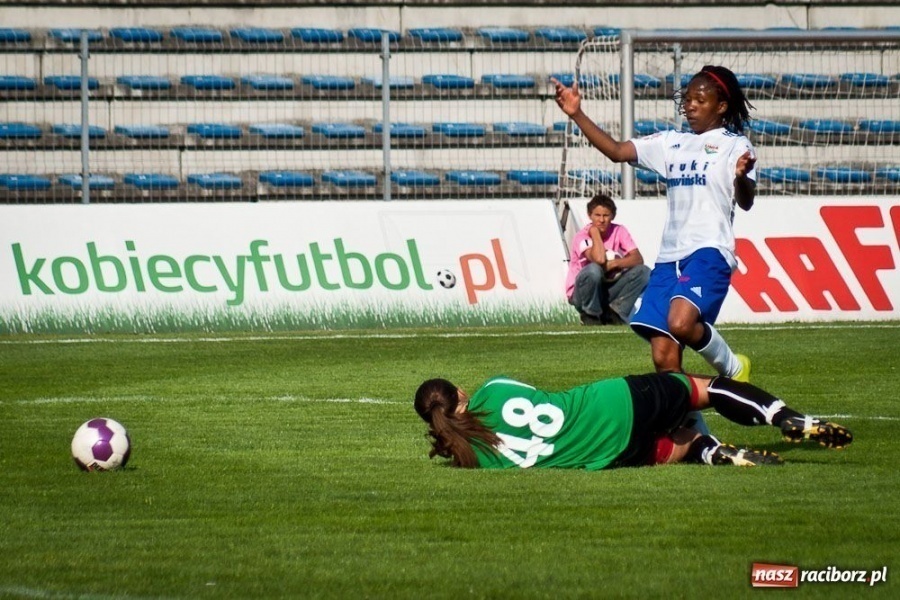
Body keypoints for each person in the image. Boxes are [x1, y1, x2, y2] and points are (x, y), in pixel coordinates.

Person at [552, 65, 756, 387]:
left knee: (681, 323)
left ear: (721, 106)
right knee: (663, 358)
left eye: (700, 100)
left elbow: (745, 201)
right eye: (687, 99)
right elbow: (617, 151)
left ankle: (732, 368)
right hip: (668, 258)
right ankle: (689, 420)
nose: (690, 106)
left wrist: (742, 178)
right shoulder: (671, 142)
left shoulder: (735, 146)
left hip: (708, 251)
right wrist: (577, 114)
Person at [414, 372, 852, 470]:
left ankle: (713, 452)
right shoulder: (493, 390)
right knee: (705, 389)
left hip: (610, 453)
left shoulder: (472, 459)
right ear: (460, 393)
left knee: (679, 444)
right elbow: (535, 397)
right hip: (615, 403)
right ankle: (787, 417)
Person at [566, 194, 651, 326]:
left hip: (605, 290)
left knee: (644, 272)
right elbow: (599, 260)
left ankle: (614, 313)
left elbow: (638, 258)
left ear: (612, 216)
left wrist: (614, 263)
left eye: (606, 215)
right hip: (581, 294)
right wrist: (595, 232)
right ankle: (590, 315)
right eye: (597, 215)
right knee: (594, 270)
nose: (601, 220)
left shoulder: (619, 230)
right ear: (589, 215)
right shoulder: (582, 236)